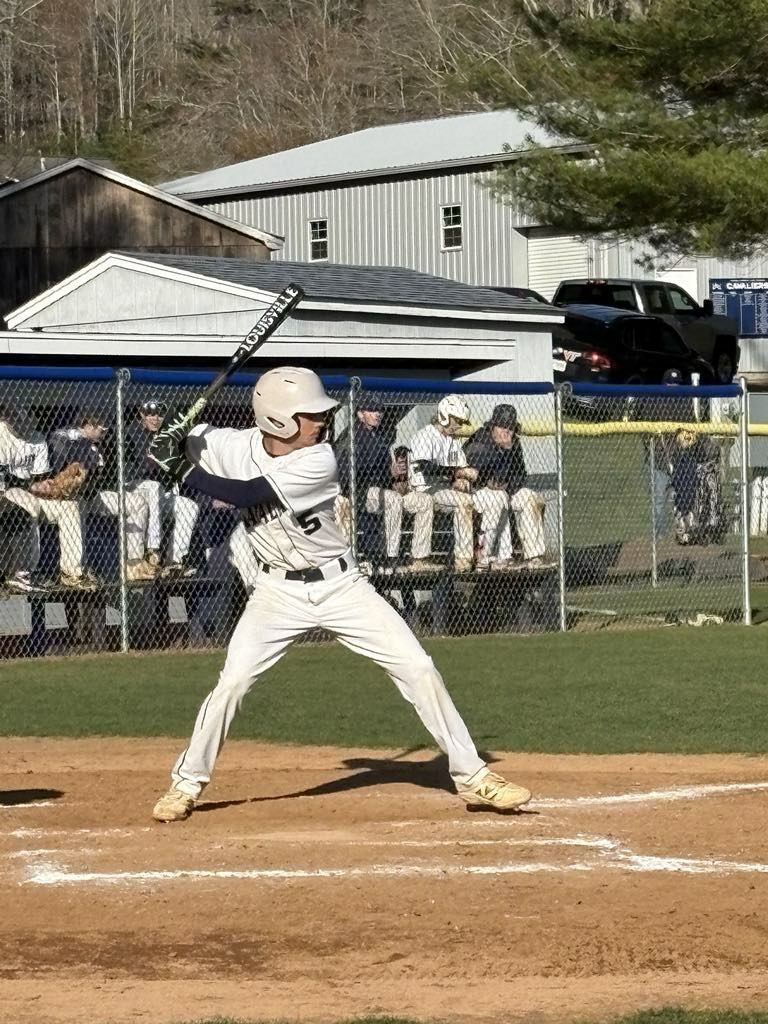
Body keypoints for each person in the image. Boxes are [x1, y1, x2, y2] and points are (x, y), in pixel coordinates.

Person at [148, 366, 531, 822]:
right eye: (310, 415)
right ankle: (186, 783)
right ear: (278, 419)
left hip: (341, 586)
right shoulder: (230, 445)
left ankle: (472, 775)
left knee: (418, 667)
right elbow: (172, 445)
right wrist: (171, 434)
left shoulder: (319, 459)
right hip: (275, 592)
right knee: (231, 683)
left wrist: (180, 467)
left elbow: (247, 493)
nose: (322, 421)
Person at [47, 411, 156, 582]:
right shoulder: (64, 437)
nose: (105, 434)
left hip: (92, 494)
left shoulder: (99, 444)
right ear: (88, 426)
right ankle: (76, 571)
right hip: (69, 497)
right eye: (102, 430)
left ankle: (133, 564)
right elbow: (59, 471)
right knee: (75, 509)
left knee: (138, 503)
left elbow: (101, 478)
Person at [336, 398, 438, 574]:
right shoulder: (352, 437)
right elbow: (347, 477)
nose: (378, 414)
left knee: (425, 501)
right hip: (358, 493)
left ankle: (419, 559)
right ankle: (390, 558)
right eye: (372, 410)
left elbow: (385, 474)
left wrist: (395, 473)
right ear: (360, 414)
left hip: (382, 491)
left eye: (380, 411)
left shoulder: (379, 437)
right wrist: (385, 473)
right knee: (393, 499)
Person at [0, 404, 91, 591]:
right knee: (29, 504)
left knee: (71, 506)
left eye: (23, 417)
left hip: (31, 492)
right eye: (12, 417)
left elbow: (39, 476)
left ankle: (72, 572)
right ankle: (25, 572)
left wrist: (52, 485)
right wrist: (31, 486)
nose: (17, 421)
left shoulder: (37, 438)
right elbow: (3, 478)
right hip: (8, 492)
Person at [464, 404, 549, 569]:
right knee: (497, 498)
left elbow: (520, 474)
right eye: (502, 426)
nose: (506, 431)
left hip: (505, 491)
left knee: (531, 498)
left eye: (510, 427)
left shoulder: (513, 443)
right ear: (493, 426)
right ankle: (487, 557)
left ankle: (534, 557)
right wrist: (498, 450)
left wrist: (509, 487)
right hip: (477, 492)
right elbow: (473, 472)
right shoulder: (480, 439)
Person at [126, 399, 201, 578]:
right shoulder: (130, 433)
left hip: (159, 494)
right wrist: (148, 465)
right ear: (141, 415)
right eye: (150, 414)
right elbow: (127, 469)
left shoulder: (168, 435)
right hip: (133, 488)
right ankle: (153, 550)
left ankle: (174, 562)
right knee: (153, 486)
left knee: (189, 506)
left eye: (159, 415)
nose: (155, 418)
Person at [407, 395, 479, 573]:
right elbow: (425, 468)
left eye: (461, 422)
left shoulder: (453, 441)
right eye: (457, 420)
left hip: (444, 490)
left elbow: (461, 467)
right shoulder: (425, 436)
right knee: (464, 501)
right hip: (424, 489)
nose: (459, 426)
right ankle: (458, 559)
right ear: (445, 416)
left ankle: (465, 560)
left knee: (471, 500)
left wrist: (462, 480)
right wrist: (458, 473)